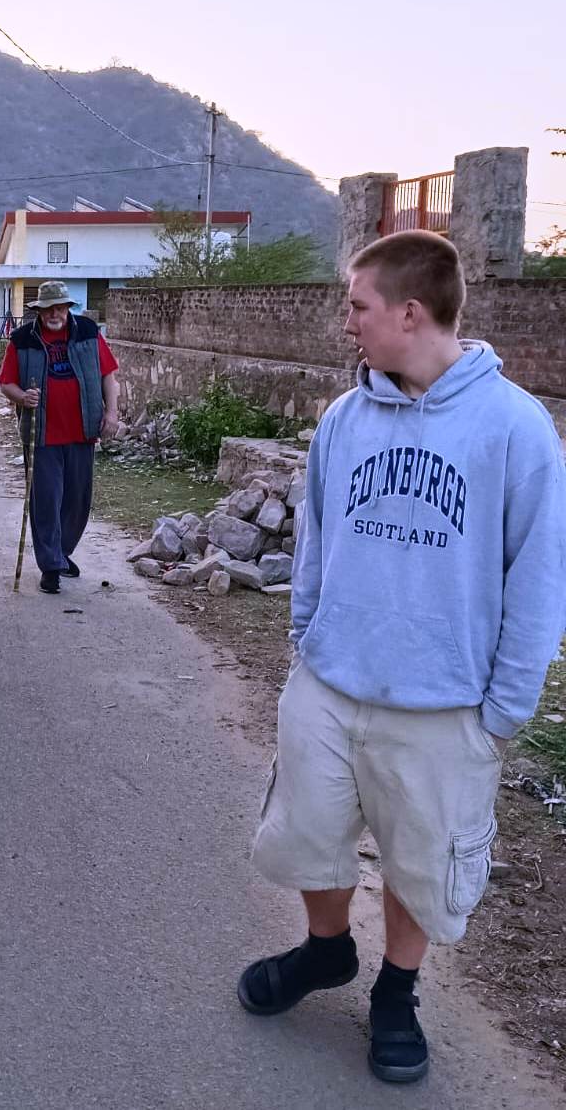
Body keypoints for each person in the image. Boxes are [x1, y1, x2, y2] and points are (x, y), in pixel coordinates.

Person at [238, 230, 566, 1084]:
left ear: (410, 312)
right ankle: (326, 951)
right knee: (310, 838)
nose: (347, 321)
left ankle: (395, 990)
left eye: (358, 305)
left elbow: (538, 581)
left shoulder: (515, 429)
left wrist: (503, 712)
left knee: (421, 864)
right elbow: (316, 536)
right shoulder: (344, 419)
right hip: (330, 685)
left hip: (444, 706)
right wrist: (304, 639)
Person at [0, 281, 119, 594]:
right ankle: (50, 565)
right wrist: (23, 397)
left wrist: (112, 413)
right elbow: (6, 383)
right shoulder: (22, 339)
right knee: (46, 500)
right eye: (49, 308)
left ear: (67, 308)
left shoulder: (88, 333)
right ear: (39, 311)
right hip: (42, 435)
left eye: (60, 307)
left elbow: (109, 376)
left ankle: (62, 551)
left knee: (77, 500)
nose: (55, 313)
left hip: (82, 431)